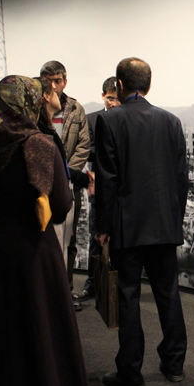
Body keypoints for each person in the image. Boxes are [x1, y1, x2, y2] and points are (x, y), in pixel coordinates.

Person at [0, 75, 87, 386]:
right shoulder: (39, 144)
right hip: (33, 256)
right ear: (25, 103)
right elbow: (62, 205)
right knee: (38, 332)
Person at [95, 58, 189, 386]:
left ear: (119, 85)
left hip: (127, 227)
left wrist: (103, 226)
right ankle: (175, 364)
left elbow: (107, 179)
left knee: (128, 298)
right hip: (164, 226)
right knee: (168, 294)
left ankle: (130, 372)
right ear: (148, 85)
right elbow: (182, 180)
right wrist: (174, 222)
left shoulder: (109, 121)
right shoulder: (172, 121)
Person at [39, 61, 90, 298]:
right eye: (48, 81)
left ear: (65, 82)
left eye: (57, 81)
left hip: (68, 184)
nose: (53, 86)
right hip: (40, 186)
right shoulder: (35, 106)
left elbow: (83, 145)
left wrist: (66, 173)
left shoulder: (75, 108)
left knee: (69, 239)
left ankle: (66, 290)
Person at [75, 76, 120, 302]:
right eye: (110, 99)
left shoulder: (124, 119)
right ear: (103, 96)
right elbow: (86, 151)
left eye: (117, 100)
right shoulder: (91, 120)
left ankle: (117, 285)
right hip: (99, 190)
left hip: (121, 191)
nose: (113, 104)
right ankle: (92, 283)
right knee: (96, 238)